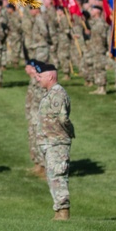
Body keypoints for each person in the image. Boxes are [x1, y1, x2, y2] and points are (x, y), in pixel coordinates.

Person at [34, 61, 74, 220]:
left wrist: (69, 131)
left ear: (50, 76)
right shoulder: (51, 93)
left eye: (40, 76)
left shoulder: (58, 94)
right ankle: (58, 210)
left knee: (58, 176)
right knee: (52, 176)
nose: (38, 79)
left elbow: (63, 118)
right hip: (50, 142)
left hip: (57, 142)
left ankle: (63, 211)